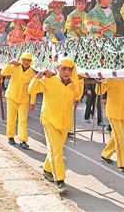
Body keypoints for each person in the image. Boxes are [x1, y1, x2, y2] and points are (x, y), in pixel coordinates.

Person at [28, 57, 83, 194]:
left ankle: (47, 169)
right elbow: (31, 90)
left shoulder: (73, 85)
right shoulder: (49, 80)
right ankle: (60, 181)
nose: (66, 72)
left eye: (69, 69)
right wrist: (38, 75)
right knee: (57, 151)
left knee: (54, 149)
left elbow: (78, 96)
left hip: (65, 122)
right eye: (63, 68)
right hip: (49, 120)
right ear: (57, 68)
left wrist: (80, 80)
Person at [99, 78, 124, 175]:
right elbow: (99, 91)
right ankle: (122, 164)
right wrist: (100, 81)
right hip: (113, 113)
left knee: (116, 136)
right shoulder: (111, 79)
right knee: (120, 138)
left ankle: (105, 155)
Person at [1, 53, 37, 149]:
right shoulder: (15, 67)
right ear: (21, 60)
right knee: (11, 118)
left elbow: (33, 89)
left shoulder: (33, 73)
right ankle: (10, 136)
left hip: (24, 99)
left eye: (28, 60)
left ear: (31, 62)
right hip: (11, 96)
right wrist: (10, 63)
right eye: (24, 60)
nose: (26, 62)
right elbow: (3, 73)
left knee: (23, 120)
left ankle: (23, 140)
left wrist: (32, 102)